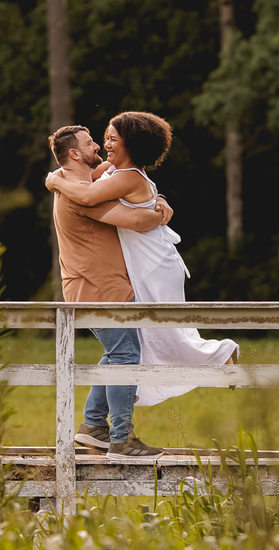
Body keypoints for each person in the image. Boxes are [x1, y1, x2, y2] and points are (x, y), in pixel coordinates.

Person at [46, 111, 239, 407]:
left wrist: (53, 181)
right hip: (147, 260)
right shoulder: (113, 171)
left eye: (111, 139)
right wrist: (158, 201)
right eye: (101, 139)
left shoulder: (123, 176)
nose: (103, 144)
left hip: (151, 261)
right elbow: (89, 182)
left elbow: (91, 198)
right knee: (149, 335)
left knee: (159, 331)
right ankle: (102, 418)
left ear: (129, 145)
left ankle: (220, 356)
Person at [47, 124, 168, 463]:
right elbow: (138, 222)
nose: (98, 147)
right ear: (74, 154)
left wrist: (157, 198)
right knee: (126, 356)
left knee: (118, 353)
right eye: (90, 144)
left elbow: (127, 182)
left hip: (97, 286)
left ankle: (94, 426)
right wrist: (157, 211)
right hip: (100, 288)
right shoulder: (78, 194)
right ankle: (122, 439)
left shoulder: (84, 186)